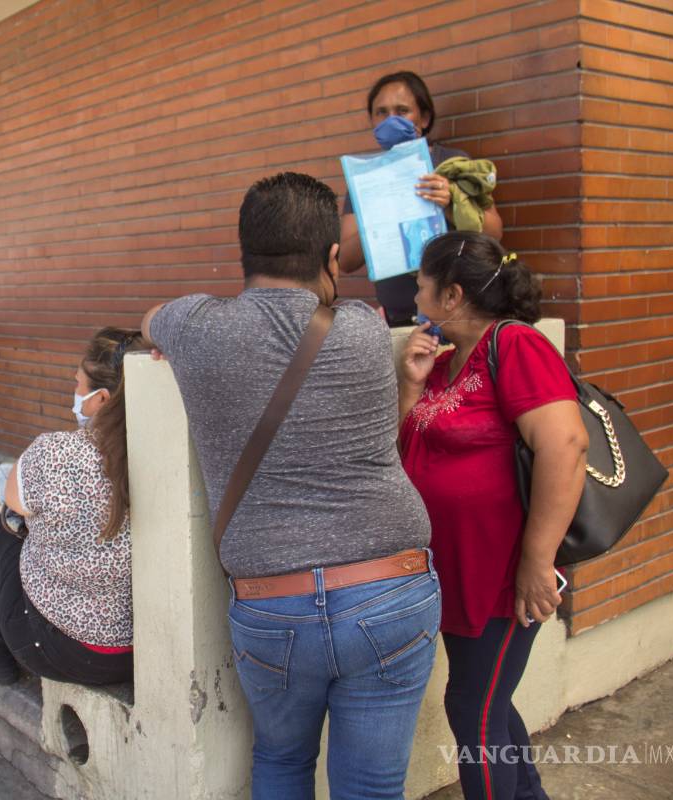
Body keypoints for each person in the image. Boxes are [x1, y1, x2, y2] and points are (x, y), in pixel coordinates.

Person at [142, 172, 439, 799]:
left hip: (271, 603)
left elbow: (149, 322)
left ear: (243, 255)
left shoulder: (196, 325)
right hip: (392, 593)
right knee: (373, 787)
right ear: (333, 259)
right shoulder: (360, 327)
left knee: (280, 762)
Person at [398, 231, 587, 800]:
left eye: (422, 285)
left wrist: (537, 560)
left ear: (451, 295)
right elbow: (407, 452)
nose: (415, 295)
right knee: (487, 701)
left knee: (472, 707)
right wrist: (409, 384)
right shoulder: (447, 362)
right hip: (457, 572)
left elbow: (566, 446)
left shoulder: (518, 345)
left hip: (504, 572)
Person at [0, 327, 140, 688]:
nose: (75, 394)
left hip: (60, 650)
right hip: (134, 653)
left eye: (79, 385)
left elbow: (12, 501)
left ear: (102, 399)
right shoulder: (157, 455)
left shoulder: (56, 452)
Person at [339, 71, 504, 326]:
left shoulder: (452, 164)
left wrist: (453, 204)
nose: (391, 119)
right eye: (381, 112)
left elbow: (495, 233)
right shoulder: (365, 178)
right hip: (399, 321)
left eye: (402, 110)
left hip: (456, 320)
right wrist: (378, 212)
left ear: (424, 118)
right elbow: (347, 260)